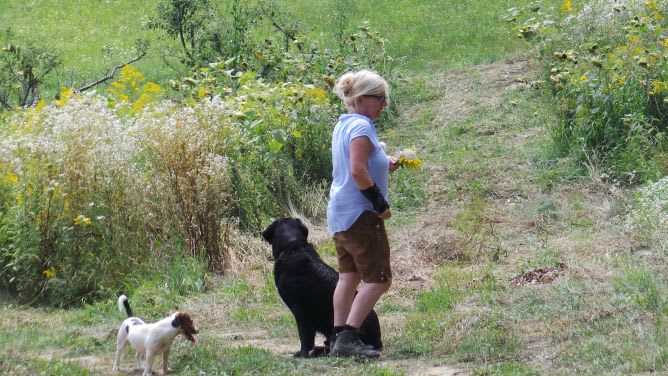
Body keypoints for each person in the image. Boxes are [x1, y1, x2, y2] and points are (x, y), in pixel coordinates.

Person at [327, 70, 398, 358]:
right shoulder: (362, 126)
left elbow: (359, 163)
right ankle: (349, 337)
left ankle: (335, 336)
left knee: (349, 276)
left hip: (339, 214)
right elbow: (357, 170)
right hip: (361, 215)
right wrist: (379, 203)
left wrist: (384, 163)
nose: (384, 104)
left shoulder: (342, 125)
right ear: (362, 98)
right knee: (380, 279)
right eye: (380, 98)